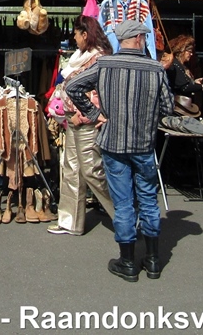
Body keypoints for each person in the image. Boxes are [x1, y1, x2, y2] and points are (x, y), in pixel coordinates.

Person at [65, 20, 174, 282]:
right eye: (144, 37)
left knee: (123, 202)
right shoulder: (155, 69)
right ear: (138, 38)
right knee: (148, 199)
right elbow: (168, 107)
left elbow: (72, 86)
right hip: (143, 144)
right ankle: (152, 260)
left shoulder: (105, 64)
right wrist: (147, 116)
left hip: (113, 144)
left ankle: (127, 262)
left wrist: (95, 114)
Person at [47, 15, 115, 236]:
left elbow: (97, 94)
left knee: (91, 170)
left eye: (76, 34)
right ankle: (70, 221)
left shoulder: (98, 58)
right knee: (72, 170)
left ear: (85, 34)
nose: (74, 39)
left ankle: (125, 215)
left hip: (87, 122)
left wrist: (83, 115)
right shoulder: (82, 56)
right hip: (73, 120)